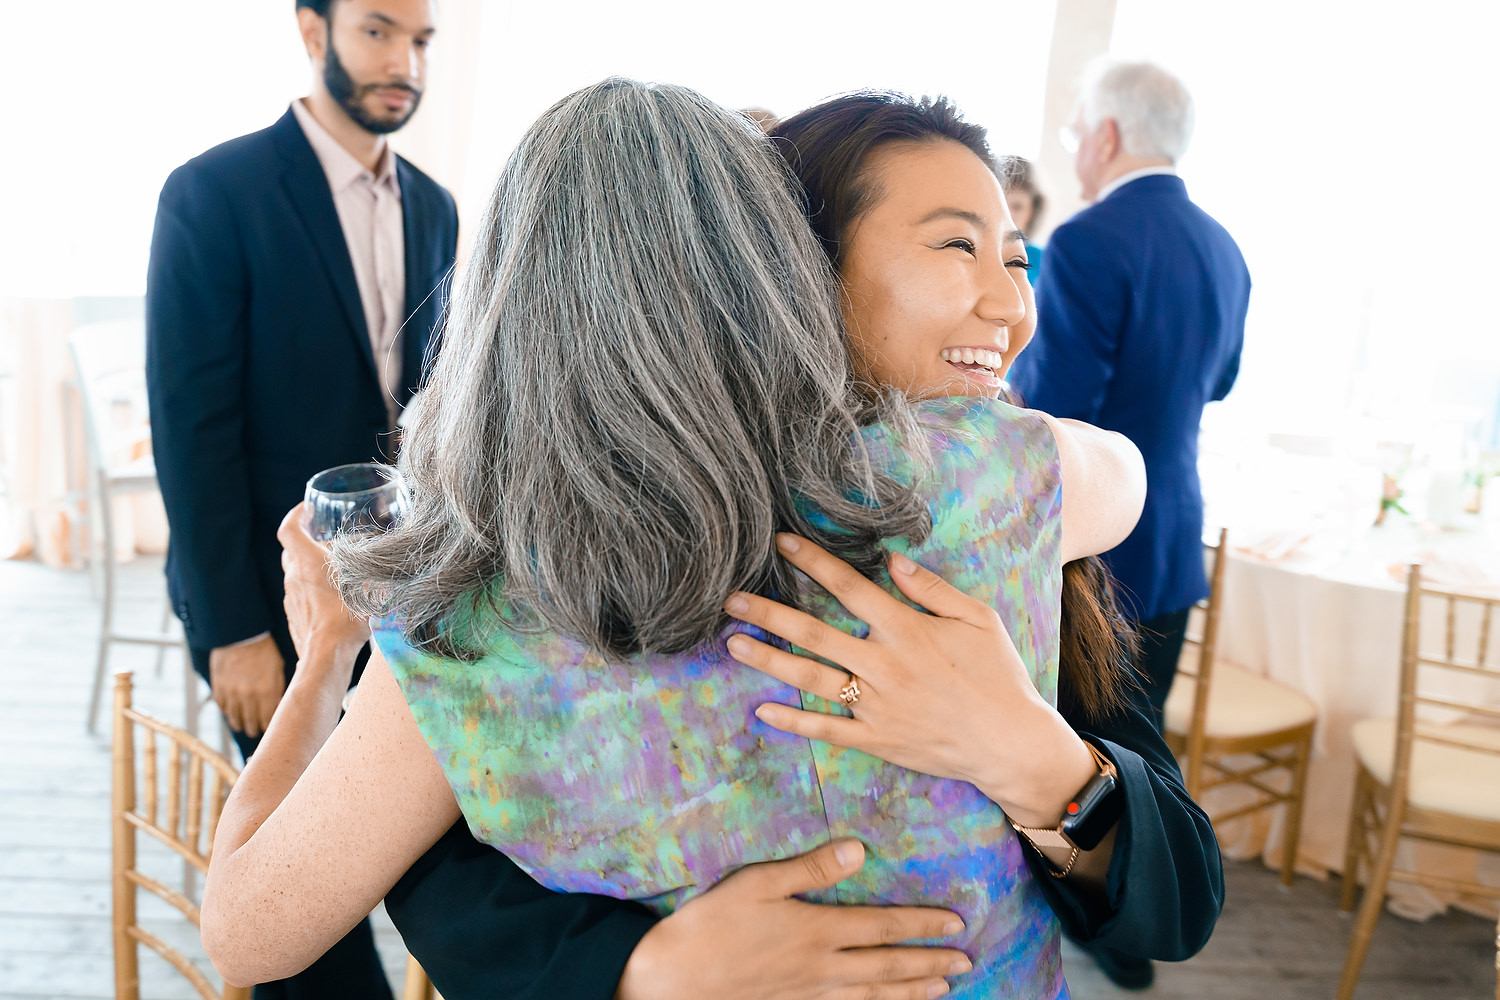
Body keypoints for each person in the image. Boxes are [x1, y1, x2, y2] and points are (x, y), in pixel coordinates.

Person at [202, 82, 1220, 998]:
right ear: (788, 279)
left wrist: (326, 655)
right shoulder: (974, 485)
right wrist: (635, 971)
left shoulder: (466, 634)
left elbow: (247, 931)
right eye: (955, 245)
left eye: (1014, 256)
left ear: (497, 317)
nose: (1011, 305)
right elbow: (1123, 475)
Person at [144, 1, 454, 996]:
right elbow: (191, 430)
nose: (405, 62)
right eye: (379, 31)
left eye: (420, 41)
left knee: (387, 841)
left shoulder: (437, 207)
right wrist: (233, 628)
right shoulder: (213, 193)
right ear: (313, 34)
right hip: (269, 598)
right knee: (295, 893)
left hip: (403, 597)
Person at [1006, 60, 1248, 987]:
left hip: (1098, 550)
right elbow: (1220, 383)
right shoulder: (1224, 247)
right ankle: (1139, 927)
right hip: (1178, 539)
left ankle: (1109, 931)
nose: (1077, 150)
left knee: (1084, 751)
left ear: (1106, 136)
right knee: (1149, 754)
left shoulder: (1087, 240)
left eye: (1078, 134)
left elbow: (1055, 411)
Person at [1001, 157, 1046, 285]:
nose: (1008, 214)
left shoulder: (1044, 260)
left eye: (1017, 207)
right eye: (1002, 204)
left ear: (1033, 212)